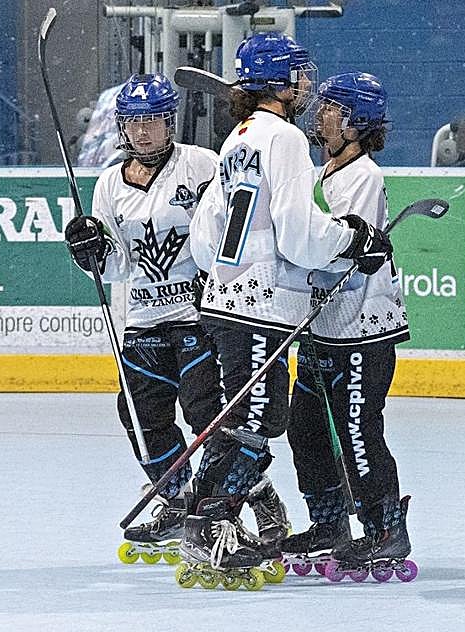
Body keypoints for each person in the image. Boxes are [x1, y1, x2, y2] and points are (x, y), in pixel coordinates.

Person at [181, 33, 394, 587]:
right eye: (299, 77)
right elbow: (300, 236)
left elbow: (204, 238)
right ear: (278, 84)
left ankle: (204, 518)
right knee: (257, 422)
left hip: (226, 300)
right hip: (259, 303)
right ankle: (215, 527)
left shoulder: (239, 138)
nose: (307, 88)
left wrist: (230, 272)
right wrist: (351, 242)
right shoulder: (286, 139)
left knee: (246, 418)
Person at [61, 72, 281, 562]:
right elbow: (117, 264)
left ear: (169, 122)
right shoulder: (107, 186)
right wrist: (89, 251)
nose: (142, 132)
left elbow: (232, 223)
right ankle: (178, 500)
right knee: (140, 418)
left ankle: (257, 493)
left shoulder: (202, 166)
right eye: (133, 123)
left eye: (152, 122)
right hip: (143, 319)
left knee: (208, 415)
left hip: (199, 316)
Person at [281, 71, 416, 583]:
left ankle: (385, 529)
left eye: (333, 107)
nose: (321, 114)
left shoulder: (364, 176)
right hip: (321, 332)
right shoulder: (321, 177)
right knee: (306, 430)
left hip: (363, 331)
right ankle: (329, 524)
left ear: (357, 121)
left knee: (358, 433)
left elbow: (341, 252)